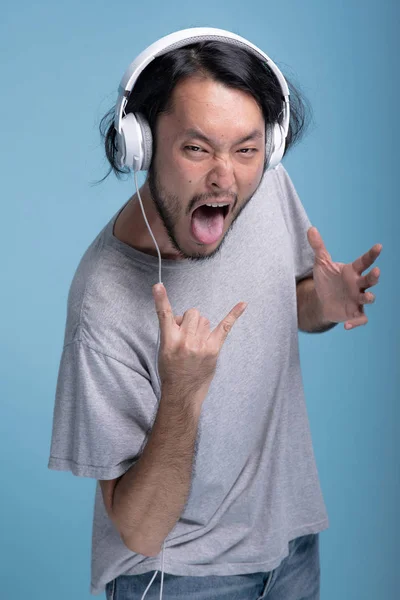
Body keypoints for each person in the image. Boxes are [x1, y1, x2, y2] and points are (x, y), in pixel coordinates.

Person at [47, 28, 381, 600]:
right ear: (141, 146)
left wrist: (321, 303)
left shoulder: (265, 189)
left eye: (246, 150)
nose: (225, 177)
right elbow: (140, 529)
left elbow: (287, 300)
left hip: (290, 546)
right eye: (197, 149)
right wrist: (183, 395)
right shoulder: (100, 305)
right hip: (180, 580)